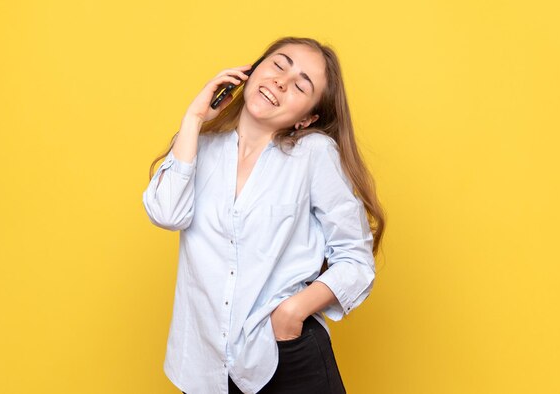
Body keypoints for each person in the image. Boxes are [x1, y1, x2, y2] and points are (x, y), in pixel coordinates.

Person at [142, 36, 386, 394]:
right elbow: (166, 213)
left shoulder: (313, 155)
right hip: (203, 369)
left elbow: (356, 261)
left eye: (301, 85)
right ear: (252, 70)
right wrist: (194, 117)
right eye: (278, 65)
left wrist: (290, 315)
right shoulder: (200, 148)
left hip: (283, 355)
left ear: (307, 118)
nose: (281, 82)